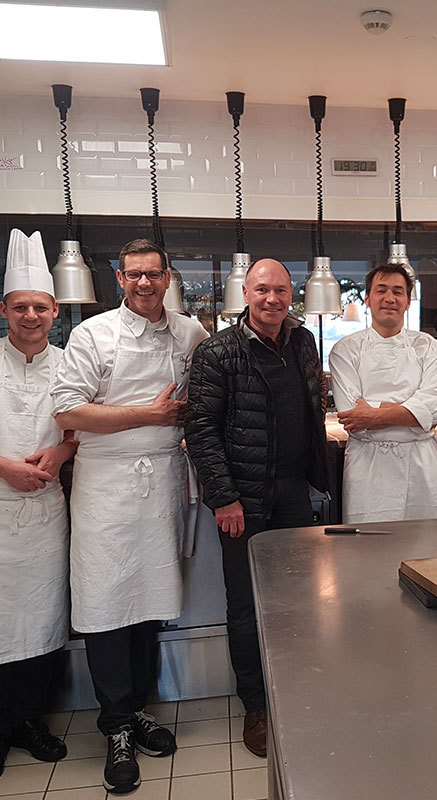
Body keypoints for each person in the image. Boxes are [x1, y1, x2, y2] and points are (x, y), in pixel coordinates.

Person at [52, 239, 208, 795]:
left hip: (163, 481)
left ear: (169, 277)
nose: (145, 284)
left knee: (148, 601)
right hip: (107, 486)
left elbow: (208, 395)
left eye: (154, 275)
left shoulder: (190, 332)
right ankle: (115, 725)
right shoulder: (92, 334)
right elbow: (68, 410)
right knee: (105, 602)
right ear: (120, 278)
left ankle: (135, 708)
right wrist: (150, 413)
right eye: (134, 275)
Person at [185, 259, 328, 758]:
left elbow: (312, 410)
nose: (272, 299)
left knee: (295, 600)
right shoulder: (217, 352)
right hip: (243, 499)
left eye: (282, 291)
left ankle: (293, 690)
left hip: (293, 492)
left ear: (293, 295)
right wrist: (223, 497)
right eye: (262, 290)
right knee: (246, 604)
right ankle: (256, 705)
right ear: (244, 292)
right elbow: (201, 428)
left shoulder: (303, 341)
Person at [0, 230, 77, 776]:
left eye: (40, 307)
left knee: (41, 618)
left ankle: (28, 720)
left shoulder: (70, 364)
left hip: (46, 513)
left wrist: (62, 451)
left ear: (55, 311)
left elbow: (83, 429)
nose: (31, 316)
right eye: (20, 306)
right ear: (4, 310)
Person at [329, 264, 437, 523]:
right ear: (367, 299)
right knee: (371, 551)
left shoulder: (428, 346)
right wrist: (413, 412)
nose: (390, 298)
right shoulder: (345, 350)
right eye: (381, 290)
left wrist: (374, 415)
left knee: (432, 550)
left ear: (408, 301)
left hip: (424, 466)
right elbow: (352, 417)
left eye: (398, 292)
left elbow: (436, 410)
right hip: (370, 469)